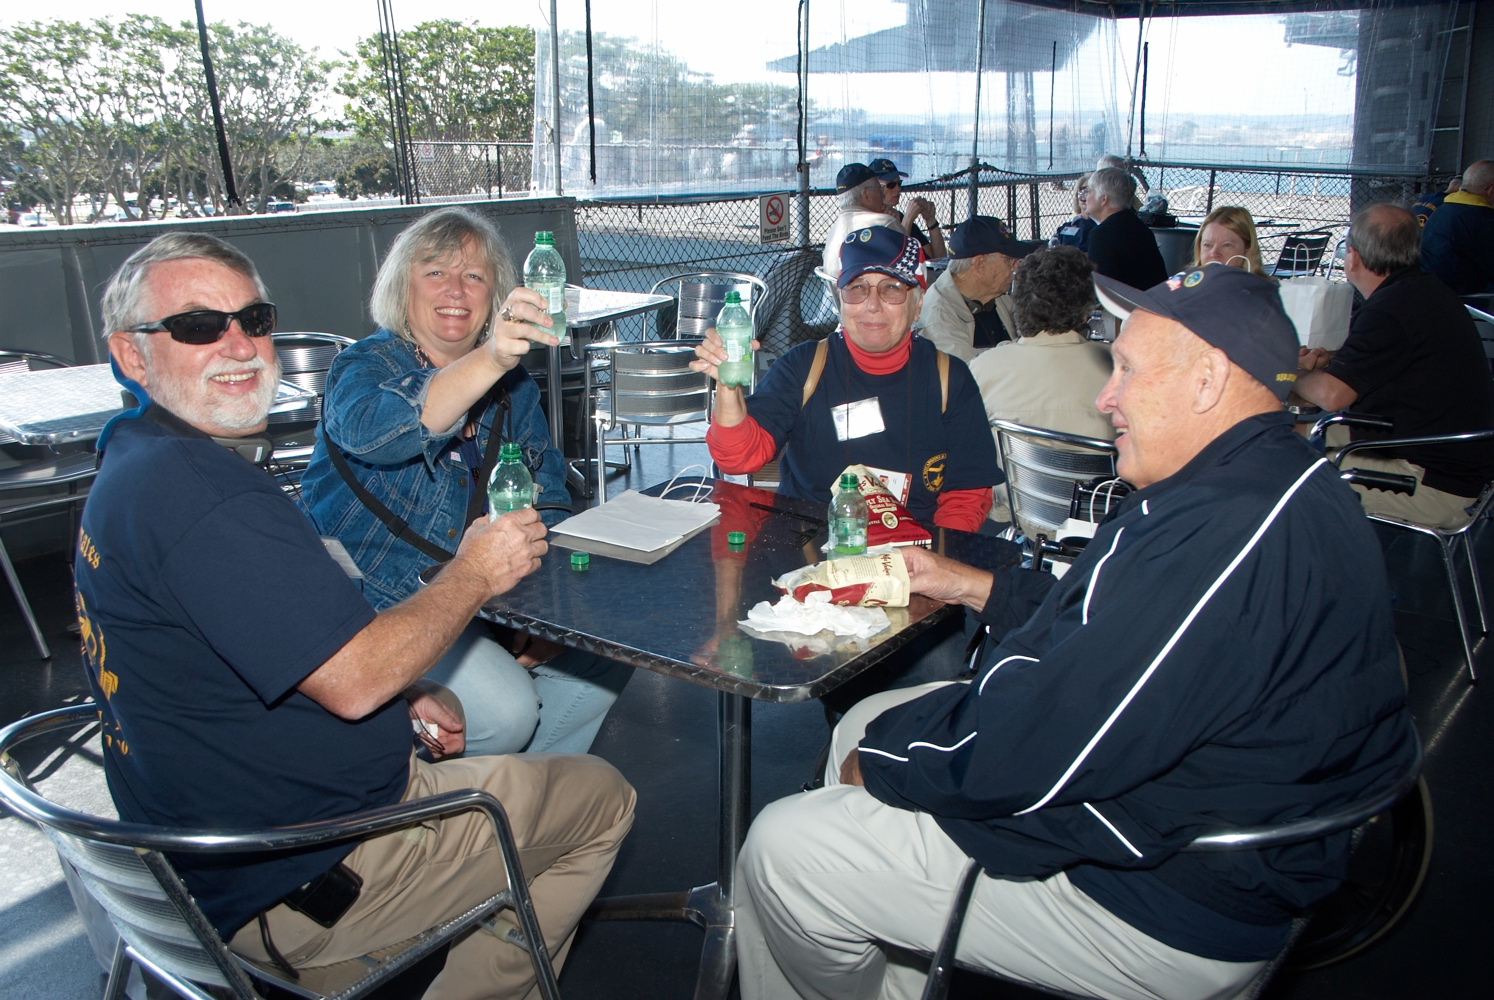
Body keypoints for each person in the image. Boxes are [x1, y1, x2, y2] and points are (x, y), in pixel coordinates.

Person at [734, 262, 1418, 1000]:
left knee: (783, 844)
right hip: (1191, 814)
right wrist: (969, 582)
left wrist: (891, 764)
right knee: (866, 720)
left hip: (1161, 896)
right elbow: (1110, 629)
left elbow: (1042, 751)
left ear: (1208, 380)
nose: (1104, 396)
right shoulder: (1267, 481)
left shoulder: (1217, 537)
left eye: (1125, 369)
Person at [75, 232, 635, 997]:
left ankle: (492, 846)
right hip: (308, 881)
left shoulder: (141, 465)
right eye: (199, 327)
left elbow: (290, 644)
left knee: (584, 672)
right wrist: (473, 574)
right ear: (132, 356)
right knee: (603, 798)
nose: (238, 345)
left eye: (254, 319)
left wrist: (414, 684)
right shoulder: (218, 492)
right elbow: (357, 675)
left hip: (236, 844)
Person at [301, 207, 631, 758]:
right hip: (379, 607)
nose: (455, 289)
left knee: (606, 646)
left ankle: (534, 806)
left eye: (474, 276)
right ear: (401, 287)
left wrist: (545, 606)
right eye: (435, 272)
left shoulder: (515, 387)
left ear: (495, 295)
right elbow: (380, 433)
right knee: (507, 712)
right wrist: (491, 357)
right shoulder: (362, 367)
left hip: (486, 595)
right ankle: (477, 816)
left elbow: (548, 494)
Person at [695, 225, 1000, 532]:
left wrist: (934, 565)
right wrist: (728, 385)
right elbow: (738, 458)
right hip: (809, 546)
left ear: (917, 304)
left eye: (891, 288)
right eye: (857, 288)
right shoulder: (804, 367)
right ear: (841, 300)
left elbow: (967, 496)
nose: (872, 304)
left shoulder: (950, 380)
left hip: (912, 550)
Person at [1295, 203, 1494, 529]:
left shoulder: (1390, 310)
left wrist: (1290, 373)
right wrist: (1330, 361)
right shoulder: (1422, 292)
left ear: (1353, 258)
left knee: (1292, 475)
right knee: (1297, 433)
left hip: (1434, 484)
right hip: (1452, 459)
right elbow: (1384, 359)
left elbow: (1331, 396)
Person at [967, 246, 1113, 533]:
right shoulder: (1118, 368)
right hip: (1098, 525)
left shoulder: (984, 369)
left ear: (1018, 301)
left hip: (1014, 522)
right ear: (1087, 307)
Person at [914, 216, 1041, 361]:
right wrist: (1017, 350)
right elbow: (969, 377)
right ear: (980, 264)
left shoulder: (995, 296)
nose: (1016, 266)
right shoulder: (938, 319)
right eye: (1010, 260)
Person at [1085, 166, 1168, 290]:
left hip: (1127, 307)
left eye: (1090, 191)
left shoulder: (1103, 234)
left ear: (1103, 199)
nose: (1085, 197)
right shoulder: (1139, 228)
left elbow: (1101, 289)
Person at [1419, 159, 1494, 294]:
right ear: (1491, 190)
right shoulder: (1484, 220)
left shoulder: (1443, 209)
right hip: (1460, 295)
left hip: (1428, 287)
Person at [822, 163, 899, 281]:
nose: (882, 195)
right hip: (871, 297)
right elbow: (912, 267)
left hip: (836, 297)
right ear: (866, 194)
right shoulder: (884, 223)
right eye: (879, 189)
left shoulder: (834, 230)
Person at [868, 157, 947, 259]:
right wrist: (908, 219)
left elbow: (938, 259)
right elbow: (895, 260)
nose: (898, 188)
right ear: (875, 187)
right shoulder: (871, 223)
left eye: (899, 183)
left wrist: (931, 221)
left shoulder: (900, 217)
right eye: (891, 185)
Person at [1190, 205, 1265, 275]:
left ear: (1248, 246)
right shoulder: (1184, 285)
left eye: (1227, 245)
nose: (1214, 253)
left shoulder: (1260, 288)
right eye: (1207, 245)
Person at [1051, 172, 1096, 252]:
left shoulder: (1104, 228)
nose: (1085, 197)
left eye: (1089, 192)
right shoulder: (1065, 228)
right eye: (1082, 192)